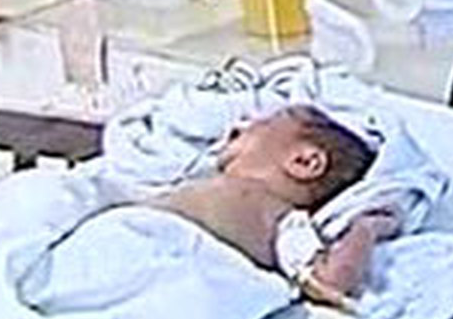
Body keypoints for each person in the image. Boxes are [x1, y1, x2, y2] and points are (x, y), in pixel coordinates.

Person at [158, 104, 396, 306]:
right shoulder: (200, 182)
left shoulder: (282, 220)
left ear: (303, 162)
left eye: (262, 124)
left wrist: (366, 229)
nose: (238, 126)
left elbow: (329, 281)